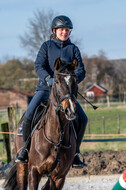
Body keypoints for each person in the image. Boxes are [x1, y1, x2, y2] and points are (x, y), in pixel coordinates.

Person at [15, 15, 88, 167]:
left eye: (67, 30)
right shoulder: (46, 46)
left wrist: (73, 80)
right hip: (45, 89)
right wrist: (48, 78)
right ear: (54, 31)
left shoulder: (73, 49)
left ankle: (75, 154)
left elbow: (81, 70)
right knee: (28, 115)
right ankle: (25, 152)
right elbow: (38, 66)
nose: (65, 32)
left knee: (83, 118)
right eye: (62, 29)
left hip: (65, 92)